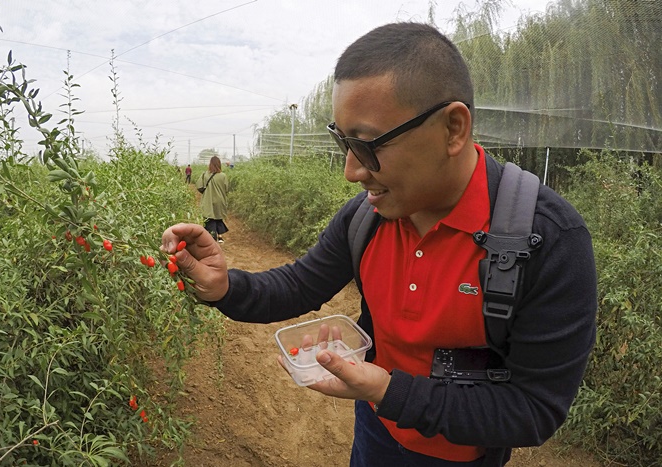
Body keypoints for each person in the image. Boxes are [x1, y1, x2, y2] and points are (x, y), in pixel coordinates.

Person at [162, 22, 597, 467]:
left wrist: (387, 390)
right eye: (343, 142)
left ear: (453, 128)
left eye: (368, 146)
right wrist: (224, 287)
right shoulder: (367, 218)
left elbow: (532, 411)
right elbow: (298, 285)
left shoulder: (547, 240)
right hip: (375, 432)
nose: (352, 171)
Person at [195, 156, 229, 243]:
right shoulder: (223, 176)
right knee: (218, 217)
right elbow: (226, 189)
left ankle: (212, 240)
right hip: (220, 201)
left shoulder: (205, 174)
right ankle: (219, 237)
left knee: (210, 219)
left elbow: (199, 186)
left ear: (210, 164)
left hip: (208, 200)